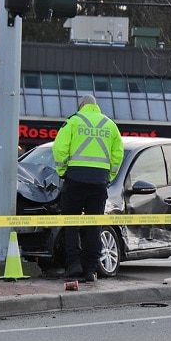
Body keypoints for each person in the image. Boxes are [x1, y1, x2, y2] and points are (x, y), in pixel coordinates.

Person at [53, 95, 124, 282]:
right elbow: (118, 154)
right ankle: (91, 270)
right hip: (99, 181)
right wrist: (108, 177)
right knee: (94, 225)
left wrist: (63, 171)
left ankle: (74, 264)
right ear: (96, 106)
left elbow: (60, 148)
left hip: (75, 178)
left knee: (71, 224)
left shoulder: (73, 121)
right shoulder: (110, 125)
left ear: (81, 105)